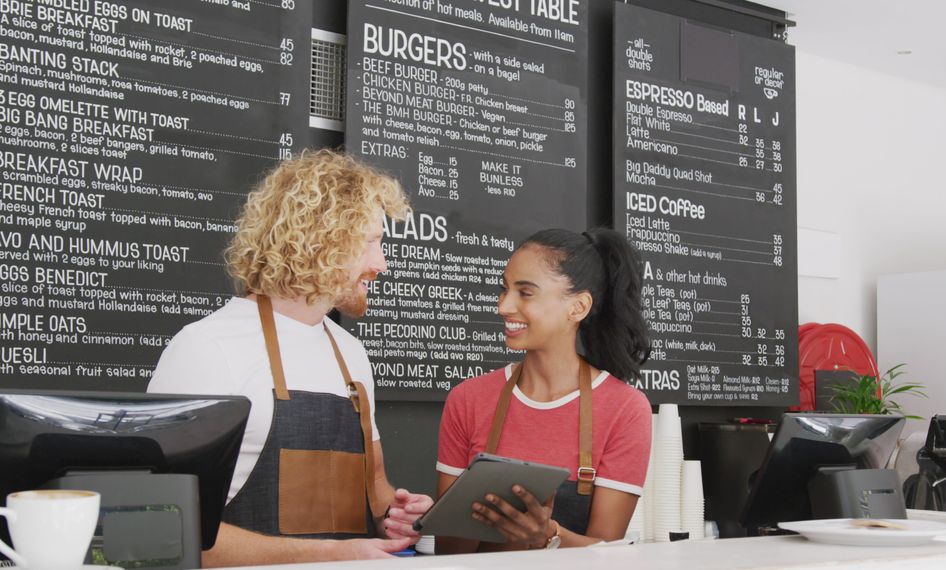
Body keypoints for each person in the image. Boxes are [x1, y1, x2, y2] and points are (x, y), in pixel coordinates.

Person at [149, 150, 433, 566]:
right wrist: (329, 555)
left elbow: (376, 494)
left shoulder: (349, 353)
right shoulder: (207, 349)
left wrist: (399, 516)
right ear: (321, 240)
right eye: (370, 242)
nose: (381, 264)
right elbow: (166, 526)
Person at [435, 228, 652, 552]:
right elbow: (448, 550)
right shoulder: (468, 400)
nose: (504, 306)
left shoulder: (625, 409)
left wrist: (548, 537)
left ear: (578, 307)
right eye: (504, 289)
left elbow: (607, 552)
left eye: (525, 292)